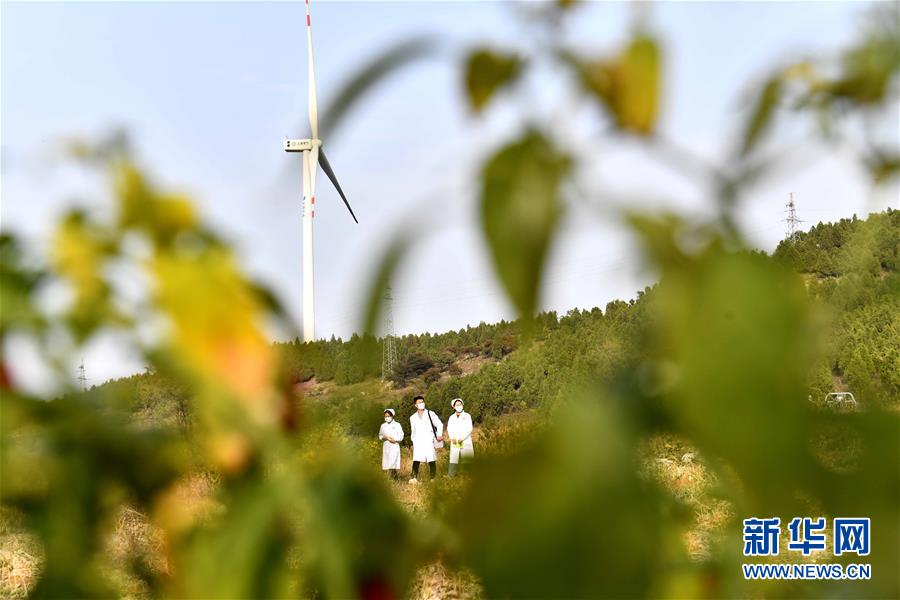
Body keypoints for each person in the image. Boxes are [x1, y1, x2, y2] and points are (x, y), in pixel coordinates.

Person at [408, 395, 442, 483]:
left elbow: (439, 424)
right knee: (416, 459)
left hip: (428, 439)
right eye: (419, 403)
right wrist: (413, 440)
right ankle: (414, 477)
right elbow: (413, 430)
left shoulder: (430, 413)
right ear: (415, 405)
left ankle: (433, 478)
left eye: (422, 402)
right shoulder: (412, 417)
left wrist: (439, 434)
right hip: (418, 440)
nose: (422, 404)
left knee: (431, 458)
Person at [446, 398, 474, 477]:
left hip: (464, 440)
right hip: (455, 441)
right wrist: (452, 438)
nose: (459, 406)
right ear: (453, 407)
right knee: (454, 457)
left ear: (463, 405)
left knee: (467, 457)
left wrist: (462, 438)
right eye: (457, 405)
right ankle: (451, 475)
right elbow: (449, 428)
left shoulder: (467, 416)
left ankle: (469, 475)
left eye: (460, 404)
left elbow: (469, 428)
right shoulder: (451, 417)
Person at [378, 408, 403, 479]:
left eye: (388, 416)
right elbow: (380, 435)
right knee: (388, 464)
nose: (387, 418)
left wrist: (395, 440)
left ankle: (394, 478)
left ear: (392, 416)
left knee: (393, 463)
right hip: (386, 446)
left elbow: (401, 435)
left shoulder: (397, 425)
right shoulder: (383, 425)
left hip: (394, 445)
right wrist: (385, 437)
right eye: (385, 416)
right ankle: (394, 478)